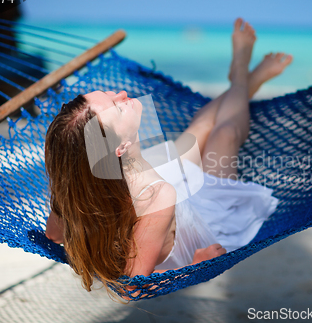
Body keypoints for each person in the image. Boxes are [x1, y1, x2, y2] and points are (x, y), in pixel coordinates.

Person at [44, 18, 293, 297]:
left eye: (108, 93)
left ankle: (244, 81)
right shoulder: (156, 197)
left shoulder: (81, 180)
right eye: (117, 106)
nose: (122, 93)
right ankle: (241, 77)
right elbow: (132, 289)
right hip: (199, 224)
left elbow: (53, 235)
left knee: (199, 127)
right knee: (225, 134)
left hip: (155, 177)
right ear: (120, 146)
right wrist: (194, 267)